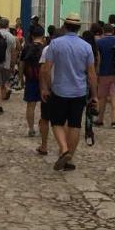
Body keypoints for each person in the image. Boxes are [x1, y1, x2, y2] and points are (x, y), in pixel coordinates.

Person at [40, 13, 98, 172]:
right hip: (79, 91)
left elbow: (46, 69)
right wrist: (94, 95)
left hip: (59, 89)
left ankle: (64, 149)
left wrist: (46, 87)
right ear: (79, 28)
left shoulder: (55, 44)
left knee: (57, 122)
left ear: (65, 26)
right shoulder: (86, 47)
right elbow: (92, 74)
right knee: (74, 124)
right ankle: (69, 157)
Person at [21, 25, 46, 139]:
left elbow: (21, 64)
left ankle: (31, 128)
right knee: (44, 106)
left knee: (30, 105)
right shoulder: (45, 48)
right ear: (43, 36)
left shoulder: (27, 48)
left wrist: (21, 78)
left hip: (31, 79)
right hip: (44, 81)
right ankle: (42, 125)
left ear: (31, 36)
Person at [95, 24, 115, 128]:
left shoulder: (99, 42)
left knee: (102, 97)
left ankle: (100, 119)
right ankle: (114, 121)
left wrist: (97, 72)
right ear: (113, 31)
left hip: (104, 73)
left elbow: (99, 59)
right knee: (114, 96)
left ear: (103, 31)